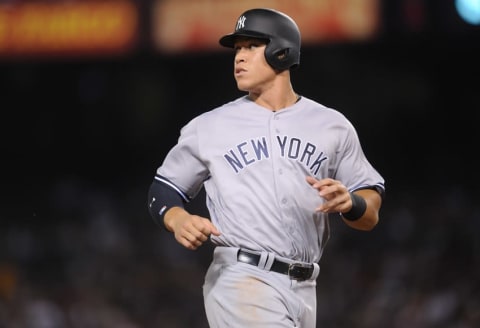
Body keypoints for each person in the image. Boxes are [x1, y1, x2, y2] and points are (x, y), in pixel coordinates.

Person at [147, 7, 385, 328]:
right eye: (237, 49)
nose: (238, 57)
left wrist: (352, 203)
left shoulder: (331, 125)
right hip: (241, 279)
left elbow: (370, 211)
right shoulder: (210, 126)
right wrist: (177, 219)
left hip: (306, 286)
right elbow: (162, 191)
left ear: (282, 51)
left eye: (251, 46)